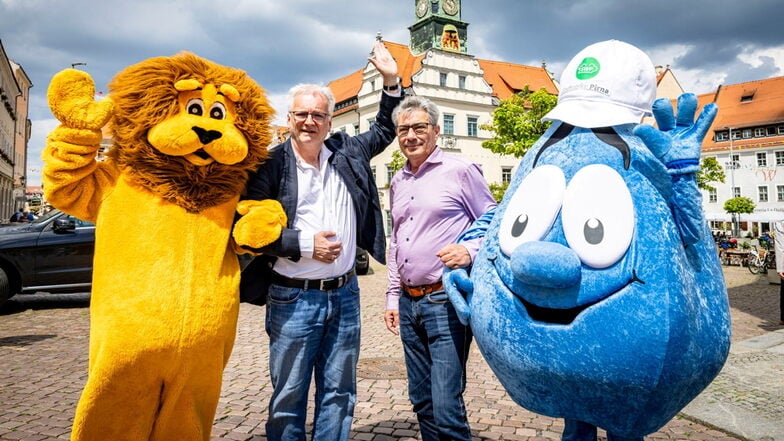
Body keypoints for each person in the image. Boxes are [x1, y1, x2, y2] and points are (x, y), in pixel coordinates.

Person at [239, 40, 402, 441]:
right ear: (289, 118)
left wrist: (392, 81)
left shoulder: (346, 151)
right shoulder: (270, 165)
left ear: (330, 121)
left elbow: (385, 128)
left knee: (340, 391)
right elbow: (246, 228)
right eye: (302, 114)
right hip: (292, 296)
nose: (309, 121)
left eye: (318, 114)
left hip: (345, 293)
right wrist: (304, 244)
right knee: (289, 392)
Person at [384, 96, 497, 441]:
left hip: (443, 301)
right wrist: (391, 297)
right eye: (403, 129)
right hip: (408, 302)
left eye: (419, 127)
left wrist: (469, 249)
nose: (411, 136)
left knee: (446, 405)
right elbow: (396, 241)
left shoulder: (460, 170)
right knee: (421, 400)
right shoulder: (398, 181)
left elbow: (494, 218)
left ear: (435, 131)